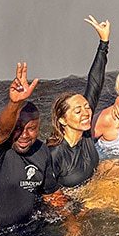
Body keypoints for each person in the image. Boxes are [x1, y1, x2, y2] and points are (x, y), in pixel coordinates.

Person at [0, 62, 51, 235]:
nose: (24, 134)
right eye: (18, 128)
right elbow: (1, 130)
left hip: (27, 231)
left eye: (31, 128)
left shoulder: (42, 152)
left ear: (39, 128)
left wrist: (73, 225)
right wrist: (14, 104)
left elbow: (50, 193)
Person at [46, 15, 110, 188]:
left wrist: (104, 43)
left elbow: (95, 84)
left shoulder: (85, 133)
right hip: (70, 211)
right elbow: (49, 197)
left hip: (90, 194)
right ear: (62, 119)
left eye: (86, 107)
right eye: (77, 110)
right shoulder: (54, 154)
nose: (86, 112)